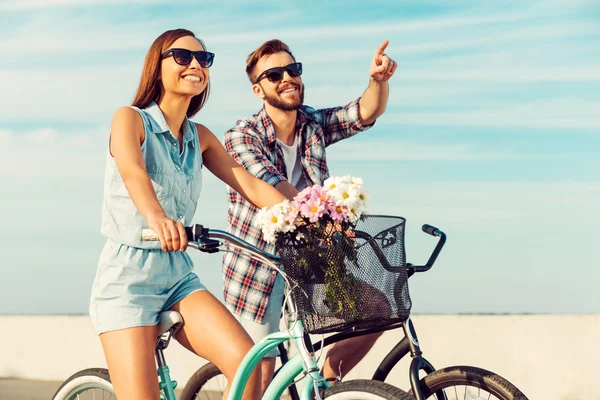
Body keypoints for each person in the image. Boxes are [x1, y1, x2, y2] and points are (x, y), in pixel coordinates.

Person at [89, 29, 287, 400]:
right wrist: (157, 218)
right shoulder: (130, 119)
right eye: (182, 56)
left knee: (250, 369)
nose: (195, 64)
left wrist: (311, 217)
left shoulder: (201, 136)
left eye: (203, 59)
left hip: (178, 276)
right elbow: (134, 171)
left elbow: (252, 185)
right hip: (127, 282)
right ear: (157, 66)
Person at [222, 39, 397, 391]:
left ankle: (326, 381)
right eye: (274, 75)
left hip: (309, 263)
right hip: (259, 270)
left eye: (293, 69)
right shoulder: (242, 136)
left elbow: (363, 112)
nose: (287, 78)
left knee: (378, 309)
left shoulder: (311, 123)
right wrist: (326, 220)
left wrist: (378, 81)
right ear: (258, 89)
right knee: (259, 377)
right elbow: (276, 188)